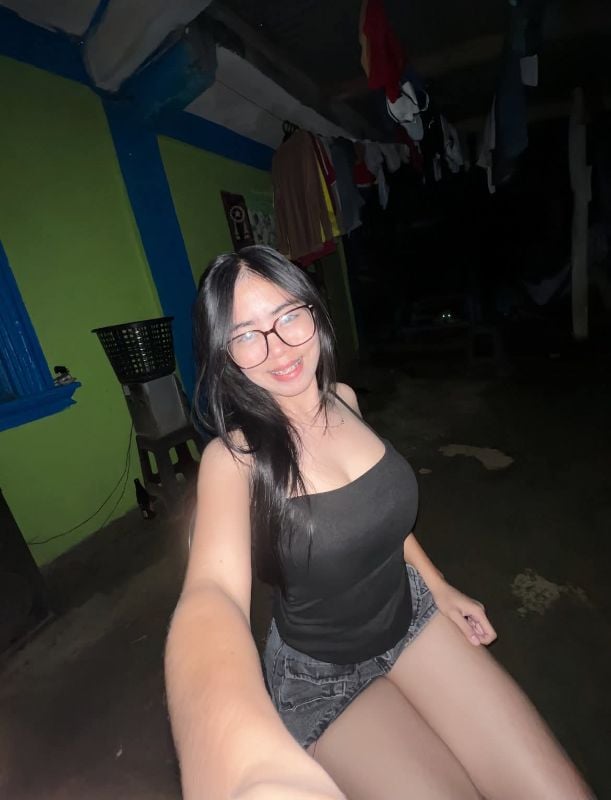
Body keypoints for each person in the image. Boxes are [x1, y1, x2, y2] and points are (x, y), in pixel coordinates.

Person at [165, 245, 592, 800]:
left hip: (410, 616)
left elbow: (378, 519)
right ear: (226, 355)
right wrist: (237, 756)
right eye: (247, 334)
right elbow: (212, 594)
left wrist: (438, 586)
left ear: (314, 311)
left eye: (289, 315)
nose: (279, 347)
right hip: (321, 677)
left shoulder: (343, 399)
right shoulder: (234, 460)